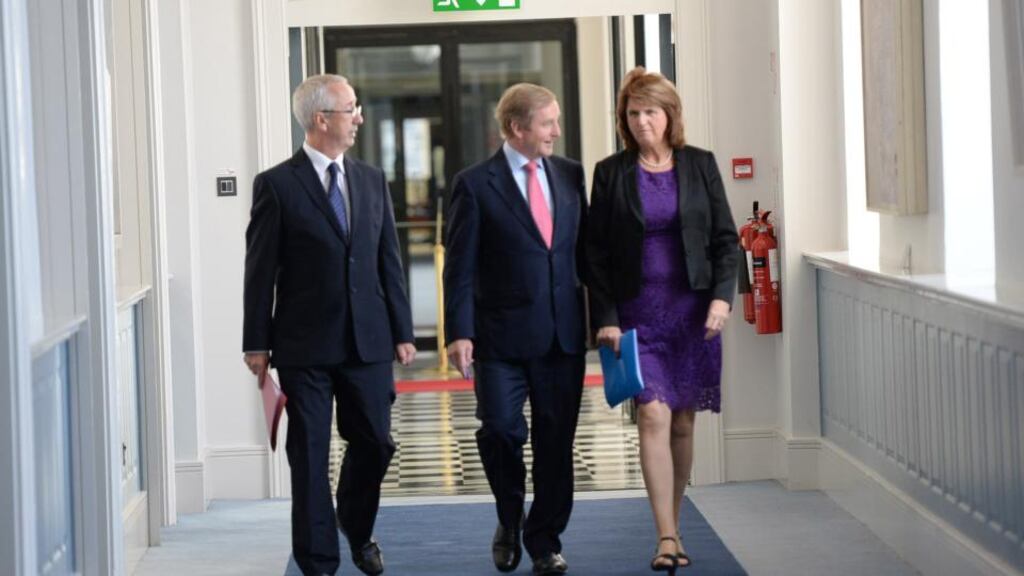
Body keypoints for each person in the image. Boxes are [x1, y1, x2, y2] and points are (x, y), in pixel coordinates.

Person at [242, 74, 416, 576]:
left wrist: (403, 331)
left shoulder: (370, 179)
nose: (359, 117)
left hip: (368, 342)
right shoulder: (276, 184)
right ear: (322, 119)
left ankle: (356, 528)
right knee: (310, 454)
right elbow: (260, 270)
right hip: (304, 345)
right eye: (351, 108)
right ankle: (319, 562)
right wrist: (257, 341)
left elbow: (390, 262)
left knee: (376, 443)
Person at [586, 67, 739, 575]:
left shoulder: (699, 165)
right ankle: (665, 534)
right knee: (652, 412)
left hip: (693, 311)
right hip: (637, 314)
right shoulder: (610, 173)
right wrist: (605, 317)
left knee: (683, 420)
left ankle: (674, 523)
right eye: (632, 113)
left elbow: (724, 239)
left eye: (650, 111)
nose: (641, 121)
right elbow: (596, 254)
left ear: (670, 115)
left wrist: (722, 300)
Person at [443, 83, 588, 576]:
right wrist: (459, 333)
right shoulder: (474, 184)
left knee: (555, 443)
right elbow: (458, 267)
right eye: (548, 123)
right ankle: (509, 515)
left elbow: (584, 256)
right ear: (516, 128)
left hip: (561, 337)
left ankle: (544, 541)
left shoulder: (570, 175)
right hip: (499, 338)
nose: (557, 131)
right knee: (502, 430)